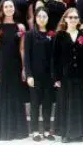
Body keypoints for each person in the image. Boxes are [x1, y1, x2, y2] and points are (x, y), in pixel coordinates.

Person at [0, 0, 29, 140]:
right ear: (2, 9)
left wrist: (24, 68)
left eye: (11, 6)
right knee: (2, 95)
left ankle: (17, 130)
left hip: (16, 64)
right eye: (6, 6)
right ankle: (1, 130)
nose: (8, 8)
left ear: (14, 9)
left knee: (15, 95)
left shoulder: (21, 26)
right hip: (1, 64)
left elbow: (22, 49)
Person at [52, 8, 83, 142]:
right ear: (65, 19)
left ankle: (80, 133)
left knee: (80, 103)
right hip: (65, 75)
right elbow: (55, 58)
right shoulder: (60, 35)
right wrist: (56, 77)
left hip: (80, 75)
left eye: (76, 17)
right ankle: (66, 133)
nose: (73, 20)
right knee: (66, 103)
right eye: (71, 17)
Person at [24, 8, 56, 141]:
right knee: (35, 104)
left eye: (44, 16)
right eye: (39, 16)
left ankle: (47, 130)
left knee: (47, 103)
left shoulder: (52, 34)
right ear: (35, 18)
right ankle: (35, 130)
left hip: (48, 76)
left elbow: (54, 56)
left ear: (48, 18)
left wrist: (55, 76)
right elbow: (27, 56)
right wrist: (29, 75)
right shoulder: (30, 34)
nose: (42, 19)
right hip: (35, 75)